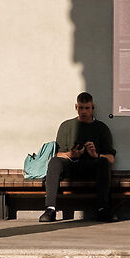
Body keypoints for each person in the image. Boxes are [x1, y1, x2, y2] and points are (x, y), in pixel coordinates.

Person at [39, 92, 116, 224]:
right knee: (54, 162)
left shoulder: (101, 128)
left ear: (93, 108)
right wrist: (71, 154)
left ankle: (103, 209)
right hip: (71, 166)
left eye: (87, 108)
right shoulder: (66, 126)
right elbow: (58, 154)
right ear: (76, 107)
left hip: (91, 167)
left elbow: (111, 158)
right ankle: (50, 209)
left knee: (103, 162)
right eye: (81, 108)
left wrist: (95, 155)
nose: (84, 111)